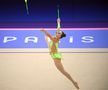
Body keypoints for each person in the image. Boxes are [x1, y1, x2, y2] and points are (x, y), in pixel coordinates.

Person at [40, 19, 79, 89]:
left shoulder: (56, 39)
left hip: (56, 57)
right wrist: (58, 22)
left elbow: (49, 36)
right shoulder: (56, 37)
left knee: (63, 71)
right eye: (58, 32)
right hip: (54, 53)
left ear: (59, 37)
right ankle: (50, 49)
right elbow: (58, 28)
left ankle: (73, 82)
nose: (57, 32)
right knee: (46, 38)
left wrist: (45, 31)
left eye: (59, 33)